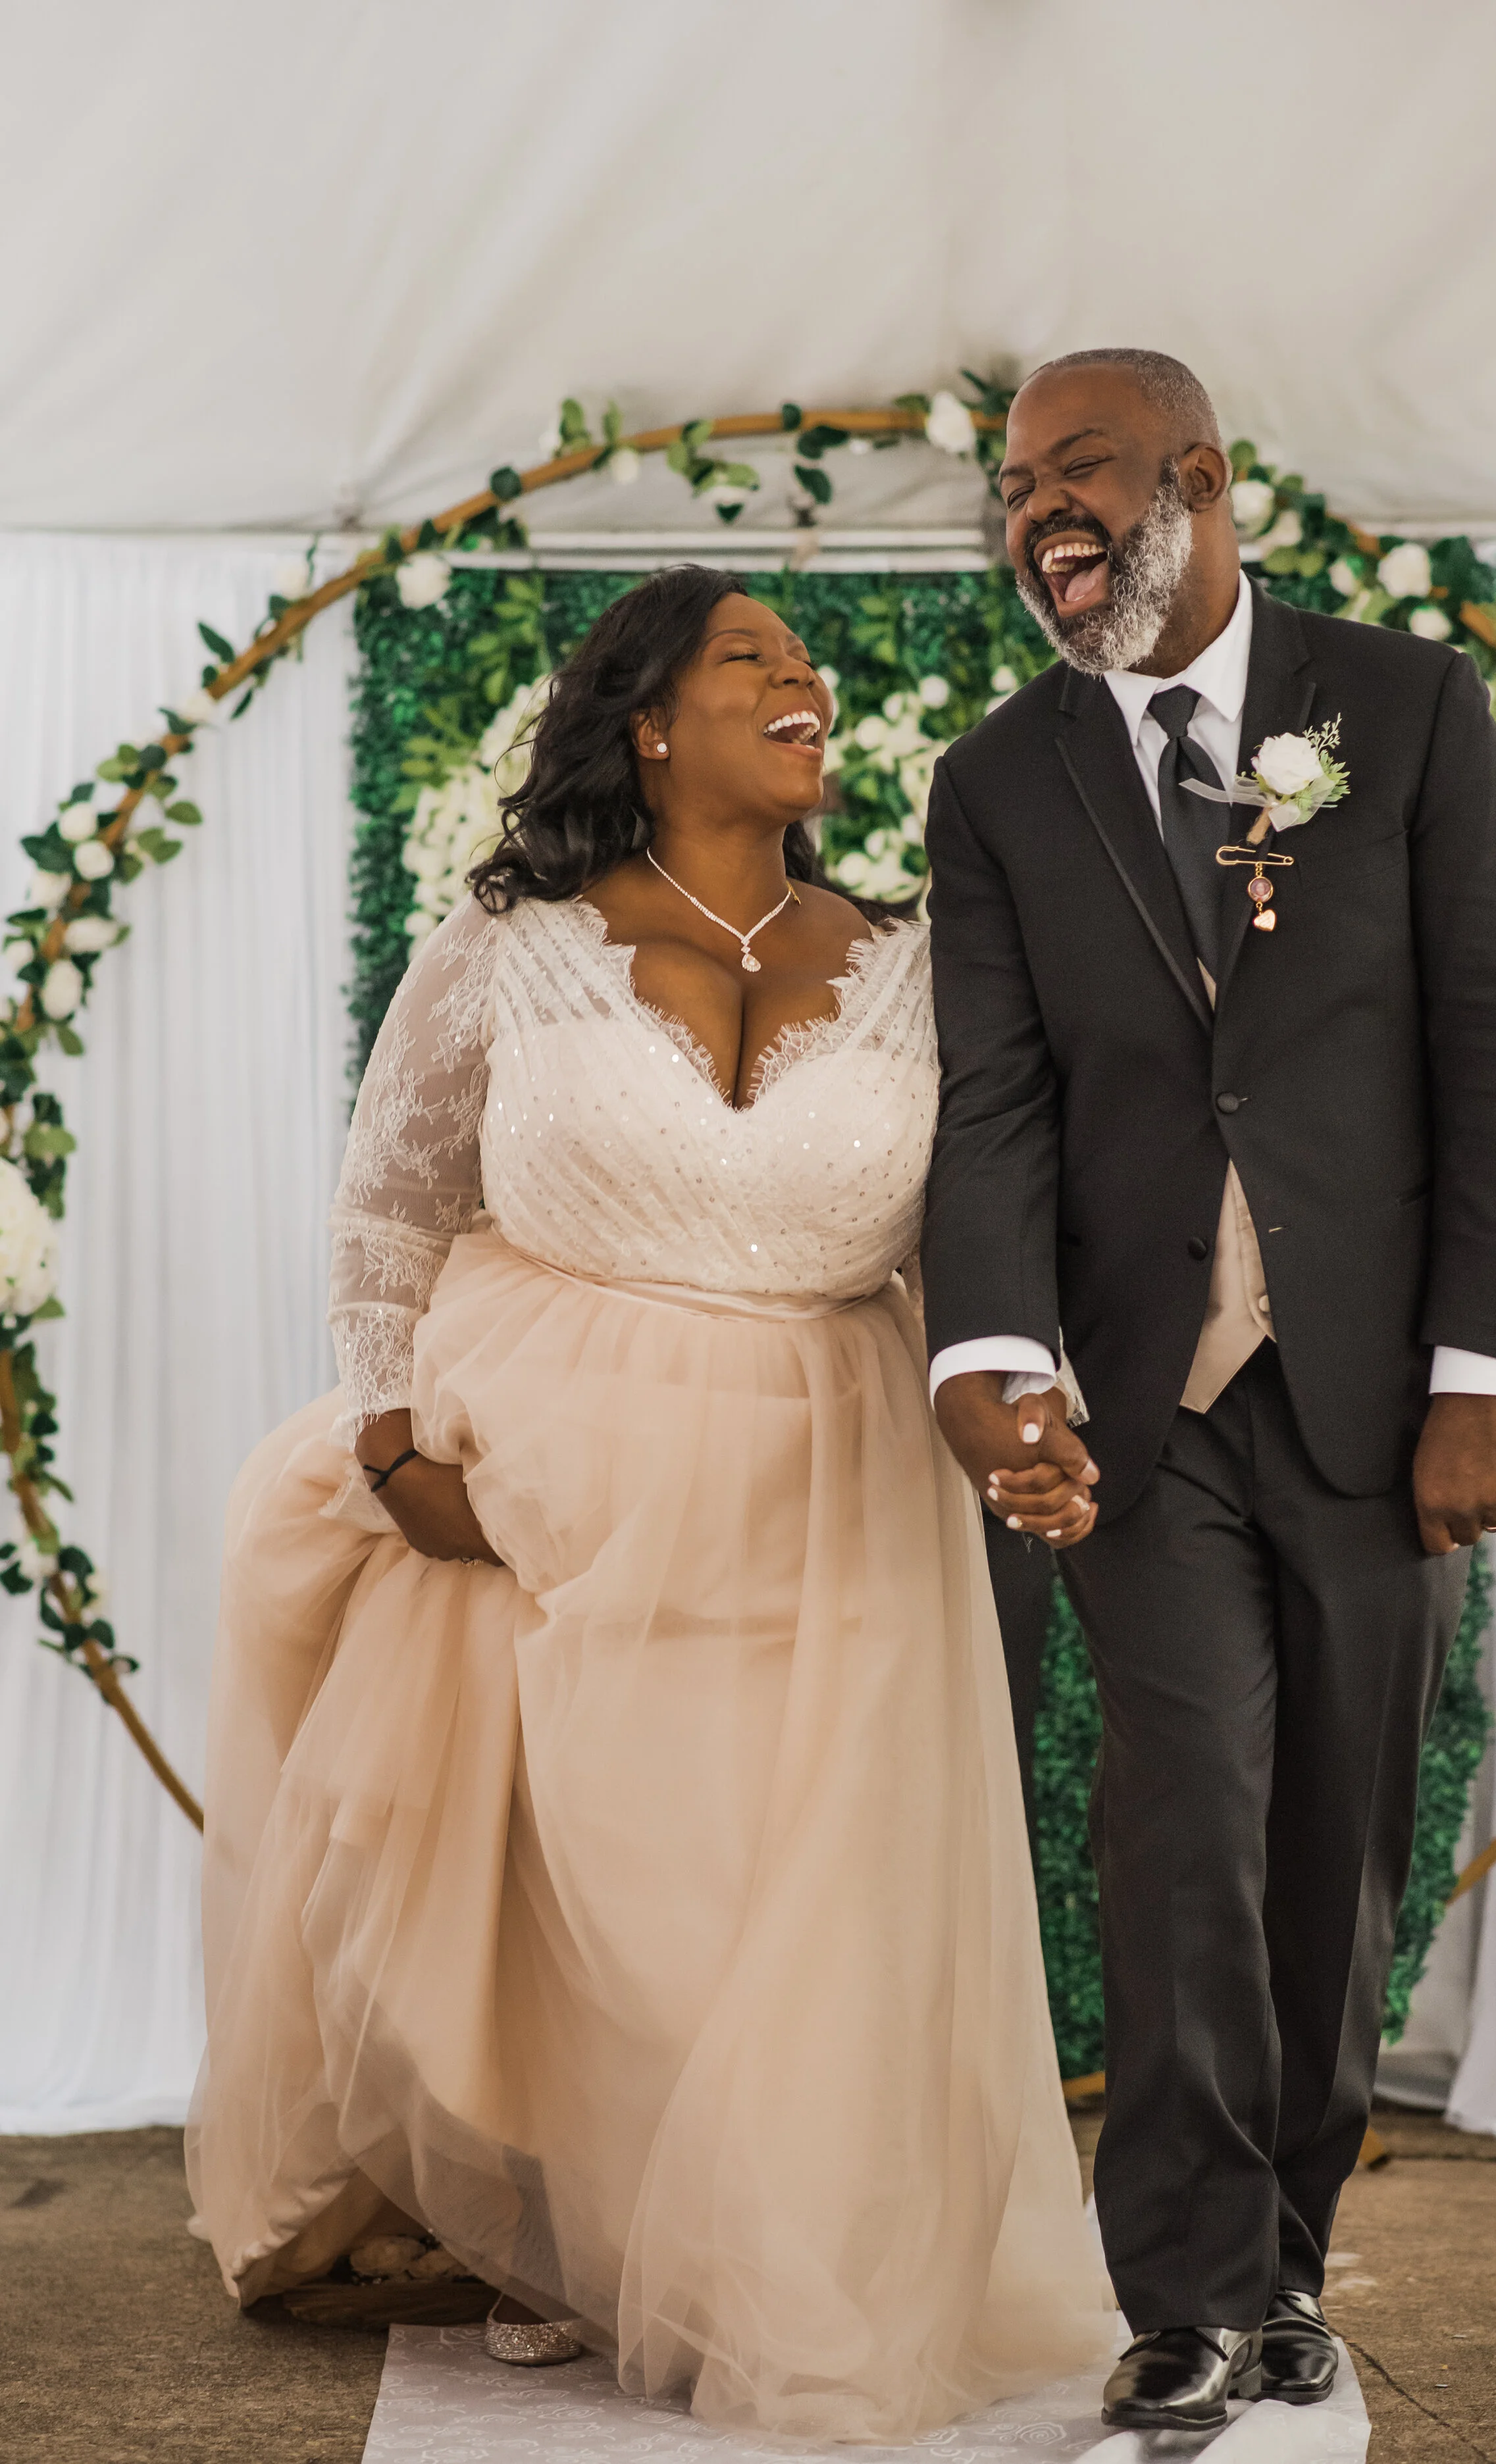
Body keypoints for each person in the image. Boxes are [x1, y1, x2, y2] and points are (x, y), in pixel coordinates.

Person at [186, 566, 1110, 2442]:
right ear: (648, 723)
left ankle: (761, 2240)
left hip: (829, 1464)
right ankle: (561, 2230)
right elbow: (393, 1195)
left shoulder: (920, 962)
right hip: (540, 1451)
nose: (805, 684)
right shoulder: (511, 939)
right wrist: (386, 1442)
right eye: (754, 659)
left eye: (806, 663)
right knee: (572, 1865)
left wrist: (1024, 1414)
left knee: (791, 1869)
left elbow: (968, 1246)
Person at [920, 349, 1496, 2433]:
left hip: (1383, 1392)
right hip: (1141, 1404)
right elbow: (994, 1101)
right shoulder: (999, 776)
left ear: (1198, 480)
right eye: (1015, 484)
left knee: (1341, 1848)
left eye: (1079, 470)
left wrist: (1483, 1375)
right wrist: (992, 1357)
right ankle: (1189, 2295)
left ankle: (1290, 2259)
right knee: (1179, 1820)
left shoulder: (1400, 709)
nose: (1038, 511)